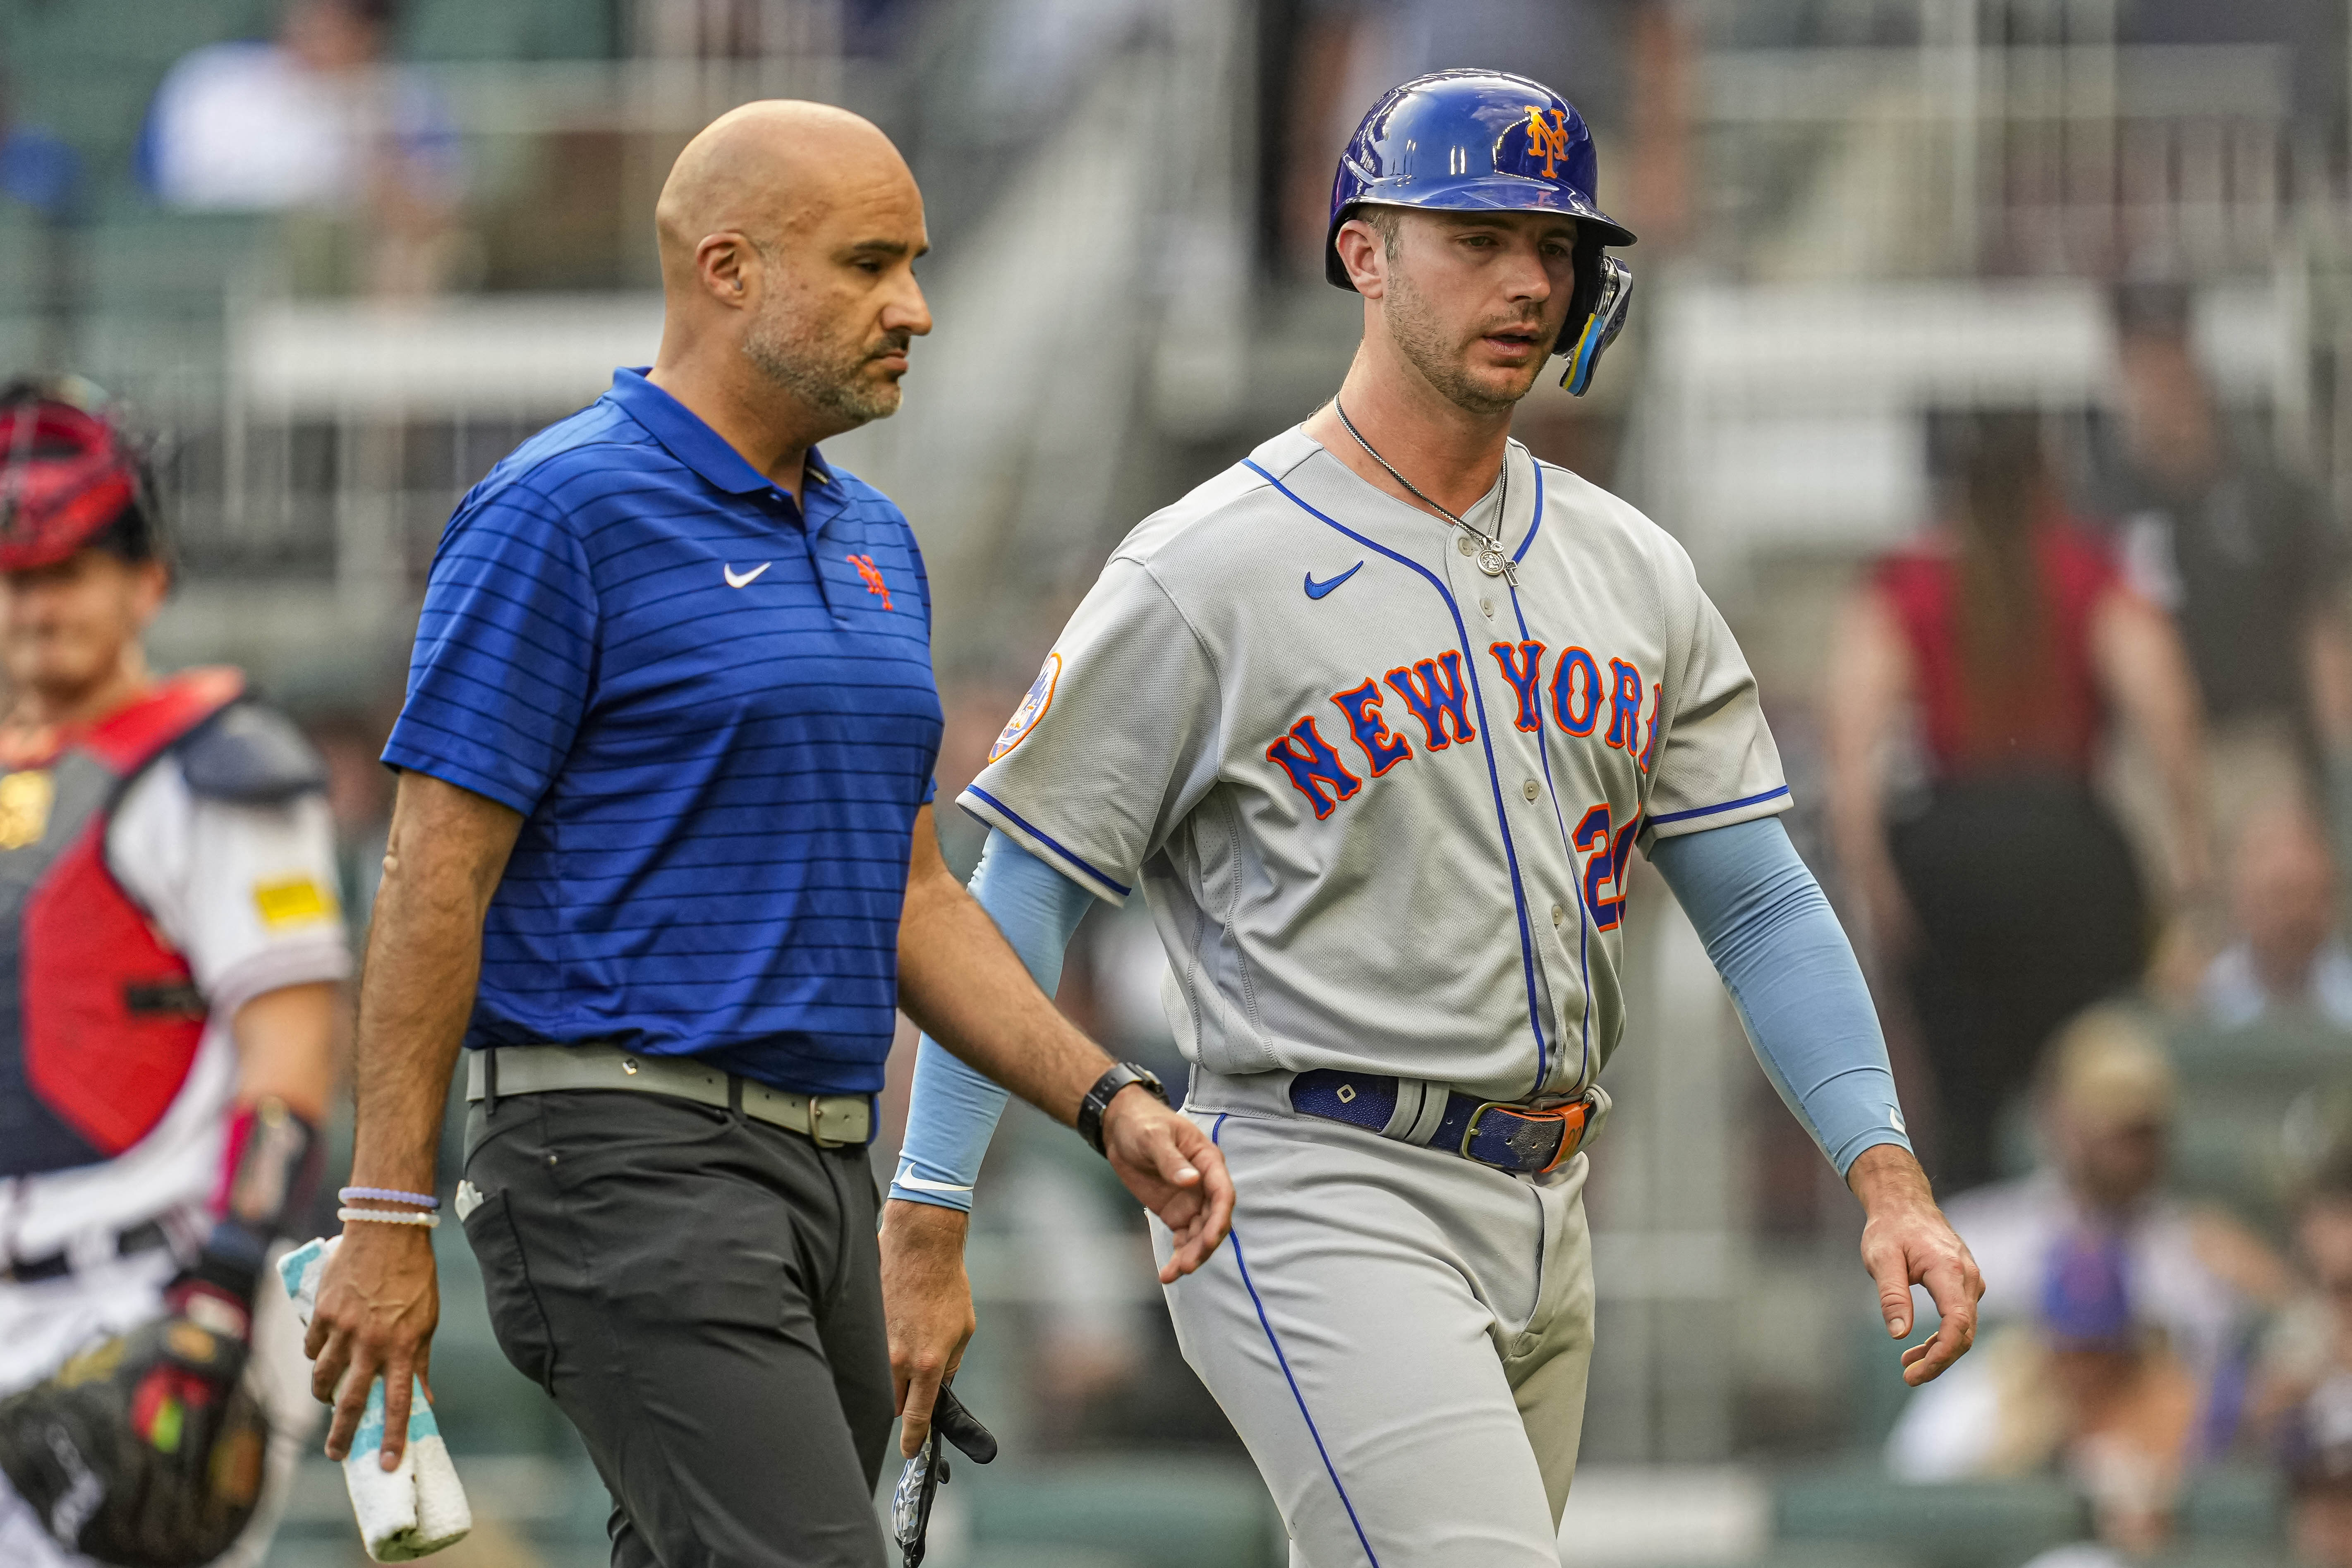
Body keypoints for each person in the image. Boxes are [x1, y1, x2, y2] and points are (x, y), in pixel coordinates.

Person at [879, 72, 1980, 1567]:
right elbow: (1014, 895)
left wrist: (1882, 1166)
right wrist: (928, 1204)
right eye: (1473, 234)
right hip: (1306, 1179)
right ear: (1363, 251)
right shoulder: (1206, 565)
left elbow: (1758, 899)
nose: (1526, 278)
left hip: (1546, 1203)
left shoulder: (1631, 568)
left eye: (1553, 246)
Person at [296, 101, 1232, 1568]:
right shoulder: (557, 512)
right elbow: (432, 875)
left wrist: (1105, 1101)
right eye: (869, 264)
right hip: (615, 1163)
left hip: (820, 1174)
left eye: (916, 263)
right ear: (726, 270)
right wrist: (383, 1212)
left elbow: (912, 895)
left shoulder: (875, 544)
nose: (914, 308)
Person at [0, 379, 348, 1567]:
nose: (37, 603)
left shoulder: (221, 770)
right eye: (15, 574)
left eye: (70, 569)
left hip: (148, 1300)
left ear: (147, 577)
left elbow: (292, 1056)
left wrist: (223, 1288)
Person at [1823, 409, 2209, 1192]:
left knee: (1962, 1101)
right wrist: (2188, 865)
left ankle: (1967, 1262)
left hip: (1950, 856)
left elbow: (1850, 743)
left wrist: (1875, 879)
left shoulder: (1909, 583)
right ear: (2050, 483)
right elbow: (2165, 712)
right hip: (2071, 851)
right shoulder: (2090, 572)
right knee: (2086, 1078)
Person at [1888, 1007, 2269, 1483]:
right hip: (2004, 1460)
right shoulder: (1975, 1234)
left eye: (2141, 1127)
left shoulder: (2205, 1252)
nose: (2126, 1146)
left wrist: (2271, 1286)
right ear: (2058, 1117)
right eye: (2107, 1120)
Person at [2098, 279, 2352, 812]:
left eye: (2170, 349)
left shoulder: (2270, 486)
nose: (2159, 371)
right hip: (2140, 754)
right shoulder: (2094, 495)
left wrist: (2338, 761)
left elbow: (2319, 631)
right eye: (2142, 353)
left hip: (2255, 742)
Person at [142, 0, 463, 295]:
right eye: (312, 13)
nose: (318, 27)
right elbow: (183, 201)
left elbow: (443, 210)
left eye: (343, 19)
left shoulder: (408, 99)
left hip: (351, 288)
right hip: (220, 279)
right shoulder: (216, 84)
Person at [2201, 798, 2352, 1031]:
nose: (2296, 916)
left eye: (2307, 893)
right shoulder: (2201, 1001)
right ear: (2241, 901)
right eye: (2280, 894)